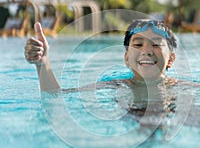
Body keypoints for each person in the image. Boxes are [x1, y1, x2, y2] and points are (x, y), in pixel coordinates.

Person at [24, 19, 177, 93]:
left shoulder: (182, 90)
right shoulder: (116, 85)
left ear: (170, 59)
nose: (146, 51)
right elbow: (55, 95)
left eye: (156, 44)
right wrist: (43, 63)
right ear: (126, 59)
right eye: (138, 45)